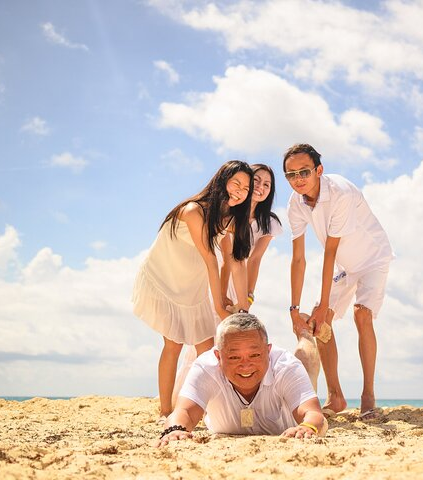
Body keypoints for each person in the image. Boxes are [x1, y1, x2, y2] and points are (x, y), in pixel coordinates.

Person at [132, 160, 254, 420]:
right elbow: (211, 258)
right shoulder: (193, 211)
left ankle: (215, 411)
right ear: (222, 180)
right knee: (173, 344)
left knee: (208, 348)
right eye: (236, 183)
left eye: (246, 188)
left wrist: (242, 306)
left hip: (192, 285)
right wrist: (220, 307)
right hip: (164, 279)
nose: (240, 191)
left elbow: (235, 260)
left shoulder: (231, 217)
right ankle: (166, 411)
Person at [283, 143, 393, 420]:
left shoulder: (340, 192)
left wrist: (322, 304)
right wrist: (295, 309)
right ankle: (336, 396)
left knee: (362, 315)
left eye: (304, 172)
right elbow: (298, 259)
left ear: (319, 170)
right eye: (291, 174)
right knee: (320, 324)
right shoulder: (295, 204)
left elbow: (329, 251)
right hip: (347, 265)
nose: (298, 180)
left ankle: (368, 396)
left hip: (372, 258)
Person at [157, 313, 327, 445]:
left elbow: (314, 415)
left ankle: (304, 335)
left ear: (268, 351)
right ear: (218, 356)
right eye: (234, 358)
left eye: (255, 355)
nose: (246, 365)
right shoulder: (206, 367)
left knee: (307, 365)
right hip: (205, 367)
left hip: (290, 394)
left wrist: (307, 427)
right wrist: (174, 430)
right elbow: (184, 412)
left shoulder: (286, 366)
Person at [220, 163, 283, 309]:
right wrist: (222, 294)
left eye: (267, 185)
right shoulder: (228, 212)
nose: (261, 187)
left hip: (239, 282)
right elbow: (226, 258)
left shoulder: (269, 223)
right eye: (256, 180)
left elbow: (255, 259)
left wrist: (249, 296)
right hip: (214, 277)